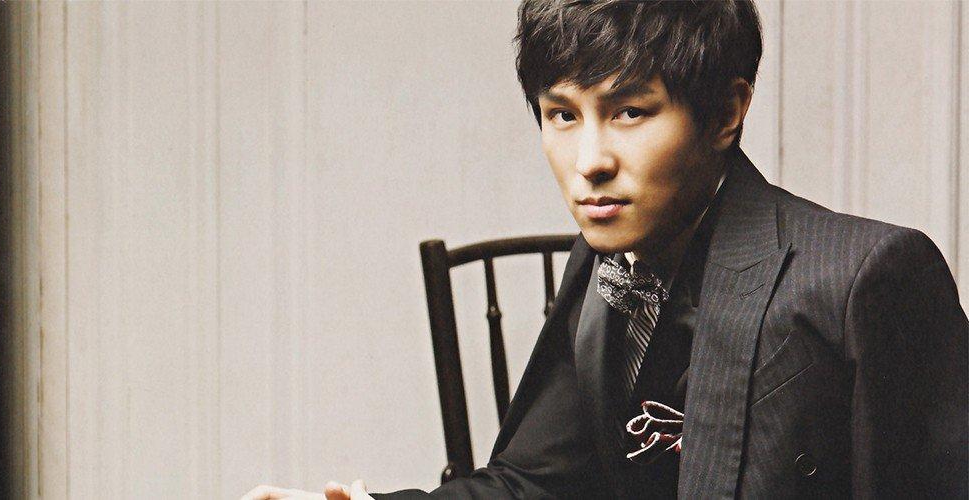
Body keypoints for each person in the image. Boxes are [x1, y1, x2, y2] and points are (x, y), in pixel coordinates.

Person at [242, 1, 968, 498]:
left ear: (726, 112)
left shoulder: (868, 277)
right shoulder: (602, 262)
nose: (589, 161)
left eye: (629, 112)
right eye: (562, 115)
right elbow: (534, 482)